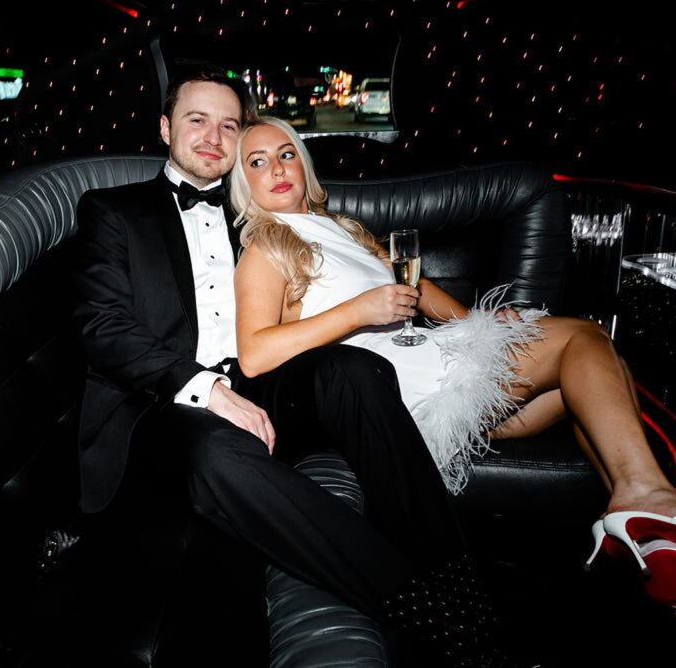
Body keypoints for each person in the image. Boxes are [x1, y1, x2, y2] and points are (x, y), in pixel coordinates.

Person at [230, 116, 676, 608]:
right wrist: (358, 309)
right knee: (582, 340)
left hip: (436, 361)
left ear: (304, 166)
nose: (277, 167)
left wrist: (480, 325)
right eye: (258, 161)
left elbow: (418, 289)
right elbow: (255, 355)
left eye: (286, 154)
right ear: (245, 183)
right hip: (398, 390)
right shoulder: (267, 247)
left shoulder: (345, 230)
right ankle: (645, 495)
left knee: (587, 376)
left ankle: (635, 522)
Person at [71, 68, 520, 667]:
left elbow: (321, 271)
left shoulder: (258, 215)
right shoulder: (113, 211)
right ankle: (441, 617)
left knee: (353, 370)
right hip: (159, 406)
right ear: (164, 127)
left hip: (262, 384)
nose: (212, 136)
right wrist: (206, 389)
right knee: (216, 452)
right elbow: (103, 329)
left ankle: (452, 573)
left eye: (228, 125)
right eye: (195, 120)